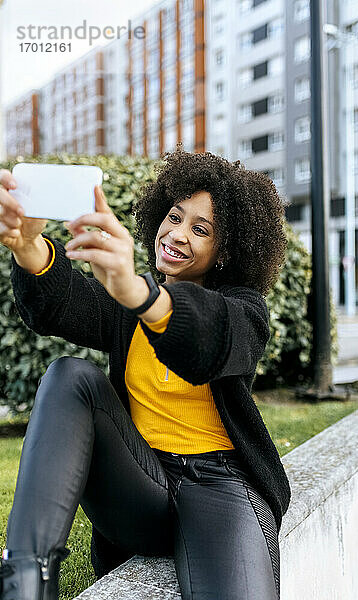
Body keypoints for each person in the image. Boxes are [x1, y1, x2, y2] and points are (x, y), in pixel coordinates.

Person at [0, 148, 291, 600]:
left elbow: (210, 340)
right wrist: (28, 246)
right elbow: (60, 306)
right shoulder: (127, 304)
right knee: (71, 376)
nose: (176, 234)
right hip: (142, 483)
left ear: (226, 252)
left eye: (200, 229)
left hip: (222, 487)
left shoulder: (244, 310)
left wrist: (140, 294)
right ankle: (23, 583)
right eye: (174, 217)